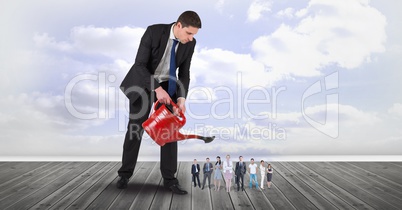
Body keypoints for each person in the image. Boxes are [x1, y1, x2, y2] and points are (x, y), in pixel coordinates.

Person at [116, 11, 202, 195]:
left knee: (169, 130)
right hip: (144, 81)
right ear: (179, 25)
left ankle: (170, 180)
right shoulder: (154, 32)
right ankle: (124, 174)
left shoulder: (190, 44)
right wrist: (157, 88)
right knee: (135, 128)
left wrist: (181, 98)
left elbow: (184, 73)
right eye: (189, 33)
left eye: (194, 35)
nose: (191, 38)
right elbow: (139, 65)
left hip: (168, 85)